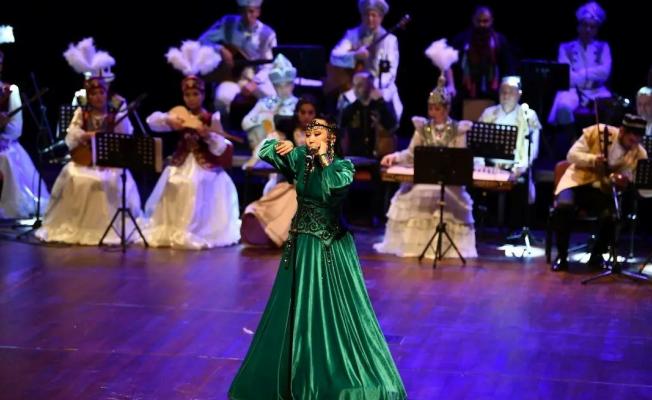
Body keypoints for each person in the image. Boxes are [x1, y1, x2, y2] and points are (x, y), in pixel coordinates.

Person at [228, 117, 406, 399]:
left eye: (317, 134)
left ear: (330, 138)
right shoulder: (301, 158)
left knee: (329, 307)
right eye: (308, 134)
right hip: (300, 245)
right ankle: (288, 376)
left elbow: (333, 189)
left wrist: (322, 159)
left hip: (328, 247)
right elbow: (265, 151)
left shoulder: (342, 167)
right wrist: (283, 144)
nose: (310, 138)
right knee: (293, 307)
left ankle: (330, 373)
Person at [36, 39, 141, 244]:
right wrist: (87, 135)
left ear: (107, 93)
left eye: (101, 92)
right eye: (94, 94)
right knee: (75, 175)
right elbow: (72, 133)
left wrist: (119, 117)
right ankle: (79, 223)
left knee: (108, 180)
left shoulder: (115, 110)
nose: (98, 97)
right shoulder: (82, 112)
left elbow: (126, 134)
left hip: (109, 160)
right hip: (85, 158)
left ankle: (109, 225)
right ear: (89, 96)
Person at [141, 41, 240, 249]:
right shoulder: (179, 115)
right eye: (187, 95)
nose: (192, 99)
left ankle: (195, 230)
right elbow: (152, 122)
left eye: (196, 94)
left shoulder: (210, 117)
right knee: (173, 181)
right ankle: (173, 228)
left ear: (203, 95)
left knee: (195, 184)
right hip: (182, 162)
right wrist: (168, 120)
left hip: (205, 166)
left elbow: (220, 147)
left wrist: (208, 136)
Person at [374, 76, 477, 259]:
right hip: (425, 177)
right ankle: (415, 246)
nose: (432, 112)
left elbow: (460, 158)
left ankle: (444, 247)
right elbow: (410, 154)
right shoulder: (422, 128)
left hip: (448, 180)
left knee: (442, 197)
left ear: (447, 109)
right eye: (430, 108)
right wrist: (395, 157)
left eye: (437, 109)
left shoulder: (458, 130)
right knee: (412, 195)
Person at [551, 114, 648, 271]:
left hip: (604, 189)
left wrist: (626, 180)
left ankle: (597, 254)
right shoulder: (596, 132)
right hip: (577, 182)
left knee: (614, 216)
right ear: (622, 131)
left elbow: (637, 177)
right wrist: (593, 159)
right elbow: (571, 155)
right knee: (564, 206)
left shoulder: (639, 152)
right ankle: (561, 256)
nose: (634, 144)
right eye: (632, 139)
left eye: (638, 140)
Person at [240, 95, 317, 247]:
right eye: (303, 112)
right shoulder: (287, 134)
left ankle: (283, 235)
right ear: (297, 113)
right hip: (289, 182)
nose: (306, 116)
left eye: (310, 113)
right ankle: (268, 229)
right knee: (283, 196)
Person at [198, 0, 277, 124]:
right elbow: (202, 40)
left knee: (272, 99)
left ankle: (260, 128)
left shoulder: (267, 33)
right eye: (243, 12)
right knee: (221, 98)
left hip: (256, 76)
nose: (247, 16)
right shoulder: (228, 23)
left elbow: (268, 65)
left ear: (258, 12)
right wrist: (221, 49)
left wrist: (255, 82)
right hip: (231, 76)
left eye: (251, 12)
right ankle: (223, 130)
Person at [547, 2, 611, 141]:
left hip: (596, 91)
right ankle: (573, 140)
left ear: (596, 30)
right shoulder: (565, 47)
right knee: (563, 107)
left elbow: (605, 72)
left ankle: (600, 143)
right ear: (579, 26)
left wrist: (581, 74)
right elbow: (566, 75)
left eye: (592, 27)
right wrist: (591, 74)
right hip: (572, 90)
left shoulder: (603, 47)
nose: (588, 29)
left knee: (610, 108)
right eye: (585, 25)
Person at [330, 0, 403, 120]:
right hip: (356, 86)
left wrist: (372, 86)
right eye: (366, 15)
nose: (370, 19)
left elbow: (390, 73)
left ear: (381, 17)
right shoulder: (352, 35)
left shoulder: (389, 40)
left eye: (374, 15)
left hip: (380, 86)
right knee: (345, 109)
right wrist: (355, 55)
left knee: (386, 110)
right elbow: (334, 56)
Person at [0, 47, 50, 219]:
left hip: (4, 146)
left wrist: (3, 126)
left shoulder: (9, 91)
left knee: (6, 159)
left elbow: (16, 129)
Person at [478, 76, 541, 205]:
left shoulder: (528, 115)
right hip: (490, 167)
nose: (506, 96)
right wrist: (480, 165)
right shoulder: (488, 113)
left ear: (519, 94)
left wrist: (520, 168)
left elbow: (532, 148)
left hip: (516, 169)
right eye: (503, 92)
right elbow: (477, 144)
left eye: (511, 92)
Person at [450, 5, 515, 101]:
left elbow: (508, 68)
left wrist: (508, 90)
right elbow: (449, 65)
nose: (482, 24)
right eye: (478, 21)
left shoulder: (500, 41)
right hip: (465, 92)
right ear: (473, 20)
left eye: (485, 21)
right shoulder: (462, 40)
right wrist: (451, 85)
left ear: (491, 21)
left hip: (494, 93)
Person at [241, 53, 298, 151]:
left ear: (293, 84)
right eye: (278, 85)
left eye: (287, 85)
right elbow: (245, 123)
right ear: (273, 85)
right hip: (269, 144)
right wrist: (266, 119)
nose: (283, 89)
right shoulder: (265, 103)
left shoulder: (301, 104)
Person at [340, 70, 397, 158]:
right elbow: (341, 132)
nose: (356, 89)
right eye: (354, 85)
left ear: (370, 86)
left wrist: (380, 103)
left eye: (360, 85)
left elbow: (392, 126)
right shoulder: (349, 110)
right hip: (355, 157)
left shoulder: (380, 106)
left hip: (378, 156)